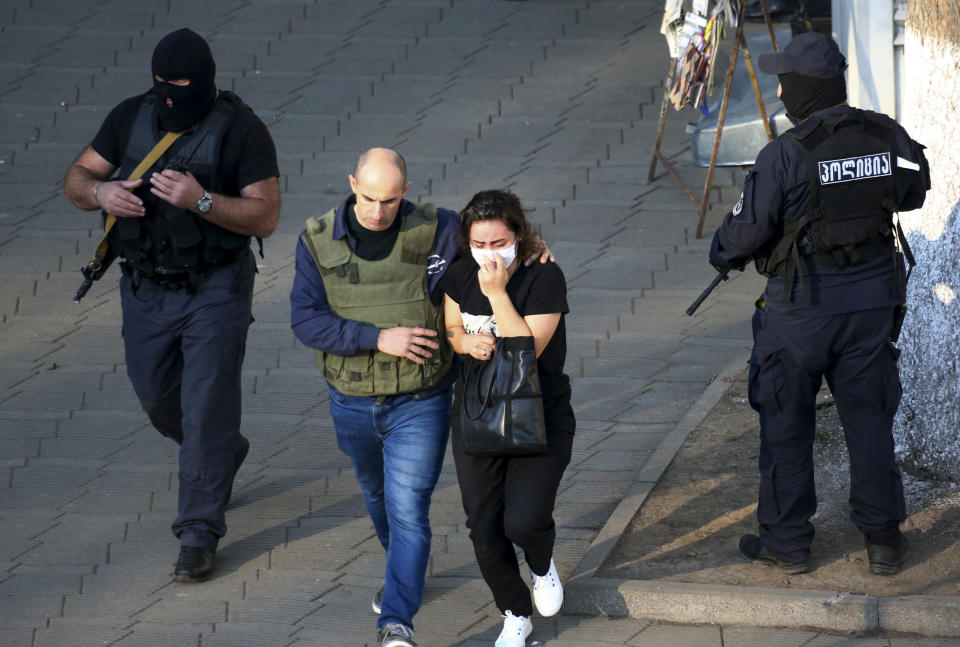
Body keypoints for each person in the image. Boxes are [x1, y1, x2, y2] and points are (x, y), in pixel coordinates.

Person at [290, 151, 552, 647]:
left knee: (408, 506)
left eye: (389, 199)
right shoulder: (317, 239)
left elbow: (489, 239)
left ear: (406, 190)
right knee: (378, 497)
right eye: (367, 197)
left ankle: (396, 623)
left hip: (421, 397)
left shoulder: (439, 229)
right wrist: (376, 337)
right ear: (351, 184)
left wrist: (530, 248)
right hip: (351, 399)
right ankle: (402, 573)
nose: (376, 211)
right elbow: (305, 319)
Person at [708, 33, 930, 576]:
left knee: (786, 423)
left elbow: (738, 240)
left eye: (783, 79)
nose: (779, 88)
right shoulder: (886, 134)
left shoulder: (785, 153)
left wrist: (726, 251)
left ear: (803, 88)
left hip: (800, 313)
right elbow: (916, 190)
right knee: (869, 420)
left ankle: (787, 543)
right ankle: (883, 540)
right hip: (873, 306)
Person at [63, 28, 280, 582]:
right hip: (145, 289)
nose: (169, 94)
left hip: (216, 288)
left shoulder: (242, 130)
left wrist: (200, 199)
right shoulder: (130, 117)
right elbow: (77, 175)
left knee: (205, 405)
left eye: (180, 84)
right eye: (161, 84)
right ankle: (221, 452)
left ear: (204, 81)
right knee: (160, 400)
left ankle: (198, 534)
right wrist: (99, 194)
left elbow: (266, 215)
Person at [441, 190, 575, 647]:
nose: (489, 253)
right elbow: (453, 327)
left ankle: (541, 565)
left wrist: (497, 294)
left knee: (524, 521)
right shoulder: (460, 274)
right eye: (480, 244)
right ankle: (515, 613)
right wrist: (464, 345)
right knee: (483, 525)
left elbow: (526, 354)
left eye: (499, 242)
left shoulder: (544, 277)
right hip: (477, 413)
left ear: (519, 237)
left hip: (538, 412)